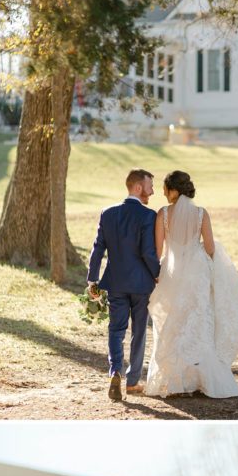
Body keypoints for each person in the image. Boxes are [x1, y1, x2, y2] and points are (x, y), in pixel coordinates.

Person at [146, 170, 238, 398]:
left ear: (173, 190)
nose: (163, 192)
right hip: (197, 274)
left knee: (172, 324)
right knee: (198, 323)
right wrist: (209, 267)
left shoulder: (162, 214)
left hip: (172, 274)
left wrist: (158, 273)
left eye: (165, 188)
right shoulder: (201, 214)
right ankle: (201, 379)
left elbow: (158, 250)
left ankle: (176, 381)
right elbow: (210, 247)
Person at [87, 168, 159, 402]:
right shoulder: (149, 216)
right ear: (138, 187)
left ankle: (115, 370)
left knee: (116, 330)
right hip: (141, 284)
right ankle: (132, 381)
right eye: (149, 186)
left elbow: (98, 248)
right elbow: (148, 252)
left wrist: (93, 279)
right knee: (139, 332)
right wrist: (158, 275)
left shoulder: (108, 214)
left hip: (115, 282)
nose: (152, 191)